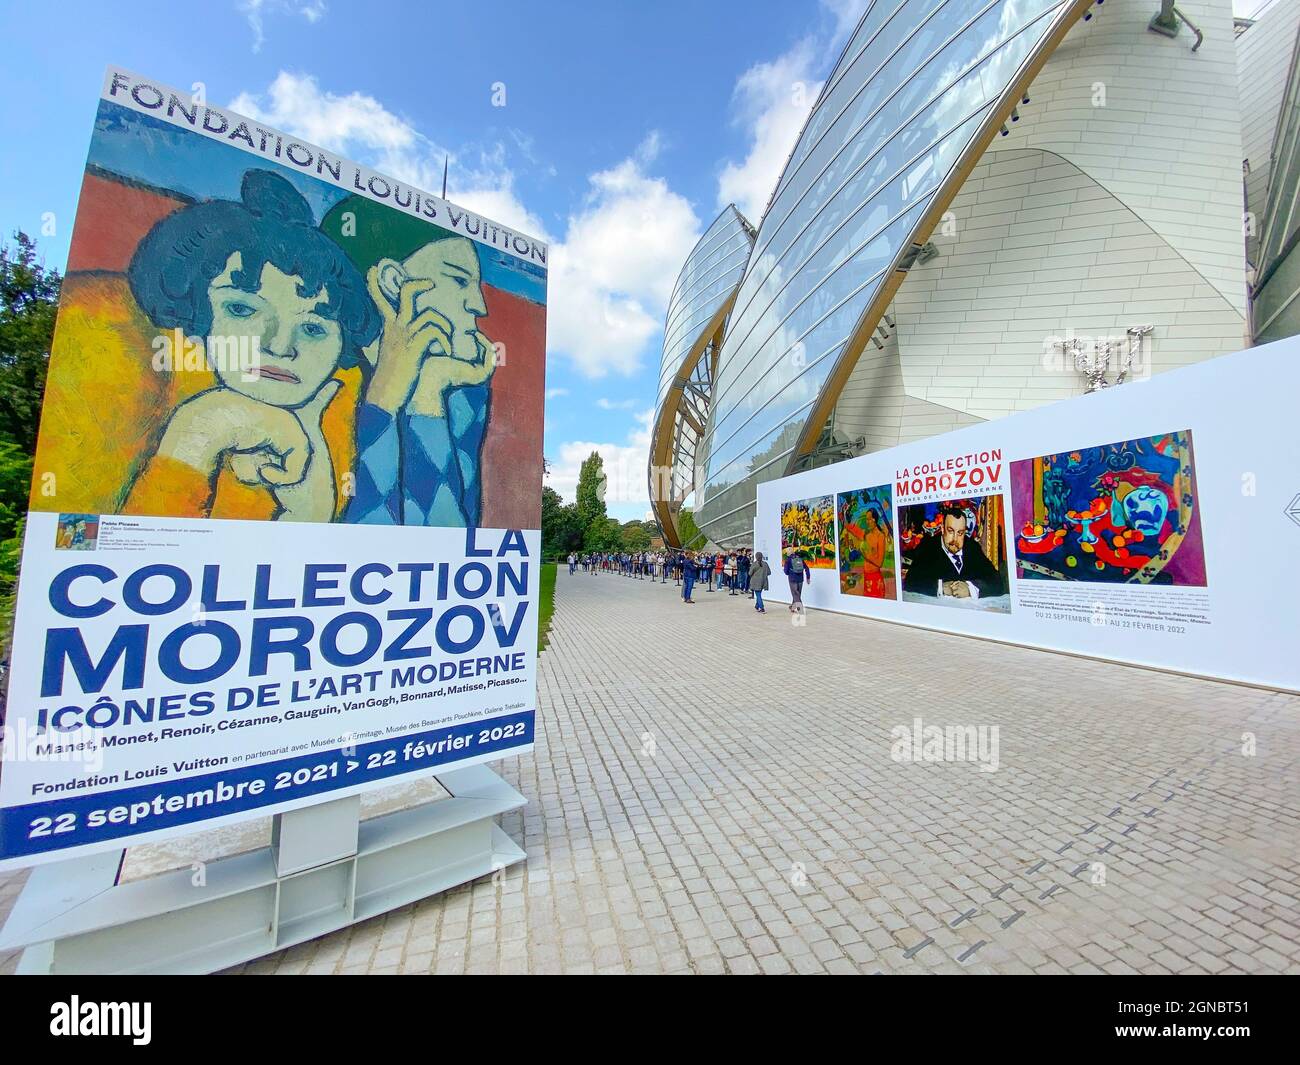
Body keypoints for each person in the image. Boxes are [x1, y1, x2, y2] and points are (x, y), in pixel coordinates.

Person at [125, 169, 381, 523]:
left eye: (312, 327)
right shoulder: (122, 373)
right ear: (196, 310)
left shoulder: (336, 412)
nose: (280, 347)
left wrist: (307, 512)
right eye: (242, 309)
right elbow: (111, 548)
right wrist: (200, 431)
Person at [902, 505, 1004, 599]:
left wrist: (970, 589)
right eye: (950, 531)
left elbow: (997, 582)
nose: (955, 538)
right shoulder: (928, 547)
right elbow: (910, 583)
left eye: (960, 533)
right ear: (942, 529)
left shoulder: (972, 547)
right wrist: (940, 587)